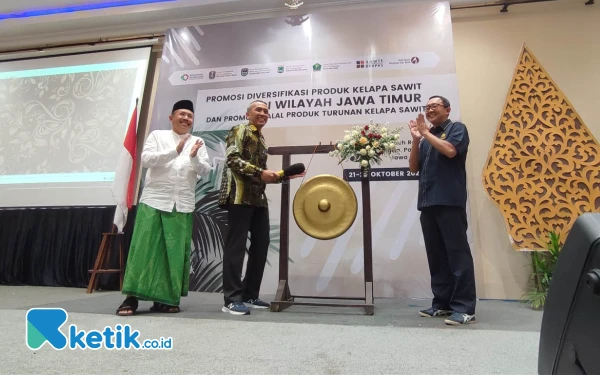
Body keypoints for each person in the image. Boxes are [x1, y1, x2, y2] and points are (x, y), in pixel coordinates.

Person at [116, 99, 211, 316]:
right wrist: (175, 151)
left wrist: (194, 157)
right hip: (154, 201)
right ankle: (131, 298)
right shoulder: (157, 136)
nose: (186, 119)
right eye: (182, 114)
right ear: (171, 117)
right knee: (144, 250)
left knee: (174, 254)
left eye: (189, 116)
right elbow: (147, 160)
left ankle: (165, 300)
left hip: (182, 204)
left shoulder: (198, 141)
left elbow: (204, 170)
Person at [218, 100, 304, 315]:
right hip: (238, 196)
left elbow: (262, 174)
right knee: (236, 248)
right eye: (258, 110)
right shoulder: (239, 130)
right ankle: (231, 299)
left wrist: (282, 176)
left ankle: (249, 294)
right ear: (248, 114)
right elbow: (232, 159)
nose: (263, 113)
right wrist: (260, 173)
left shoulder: (262, 141)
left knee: (261, 245)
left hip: (257, 199)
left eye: (266, 111)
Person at [408, 95, 477, 325]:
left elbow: (450, 151)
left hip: (449, 201)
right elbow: (412, 167)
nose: (429, 110)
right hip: (428, 203)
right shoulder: (428, 138)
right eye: (427, 107)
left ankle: (465, 308)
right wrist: (417, 139)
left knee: (457, 256)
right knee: (436, 256)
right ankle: (442, 303)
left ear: (447, 110)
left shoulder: (457, 128)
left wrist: (425, 132)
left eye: (434, 106)